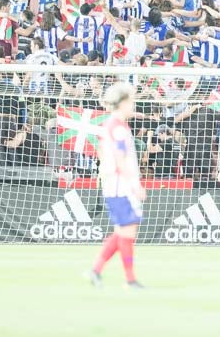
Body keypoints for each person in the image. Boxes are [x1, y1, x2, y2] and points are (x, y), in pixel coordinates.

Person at [89, 83, 145, 288]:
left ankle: (95, 270)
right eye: (131, 101)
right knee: (128, 232)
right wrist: (134, 184)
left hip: (114, 184)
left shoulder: (109, 125)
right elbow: (121, 158)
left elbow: (102, 152)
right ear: (122, 103)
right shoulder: (119, 128)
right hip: (121, 186)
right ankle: (130, 280)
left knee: (123, 230)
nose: (133, 105)